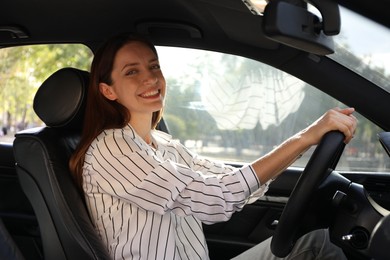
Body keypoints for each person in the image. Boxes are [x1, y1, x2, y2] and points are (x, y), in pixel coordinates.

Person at [69, 33, 357, 260]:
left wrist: (304, 145)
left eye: (154, 66)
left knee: (315, 241)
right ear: (108, 90)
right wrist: (306, 137)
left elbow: (238, 184)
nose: (151, 77)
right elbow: (214, 199)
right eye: (132, 72)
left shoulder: (164, 145)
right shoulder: (111, 150)